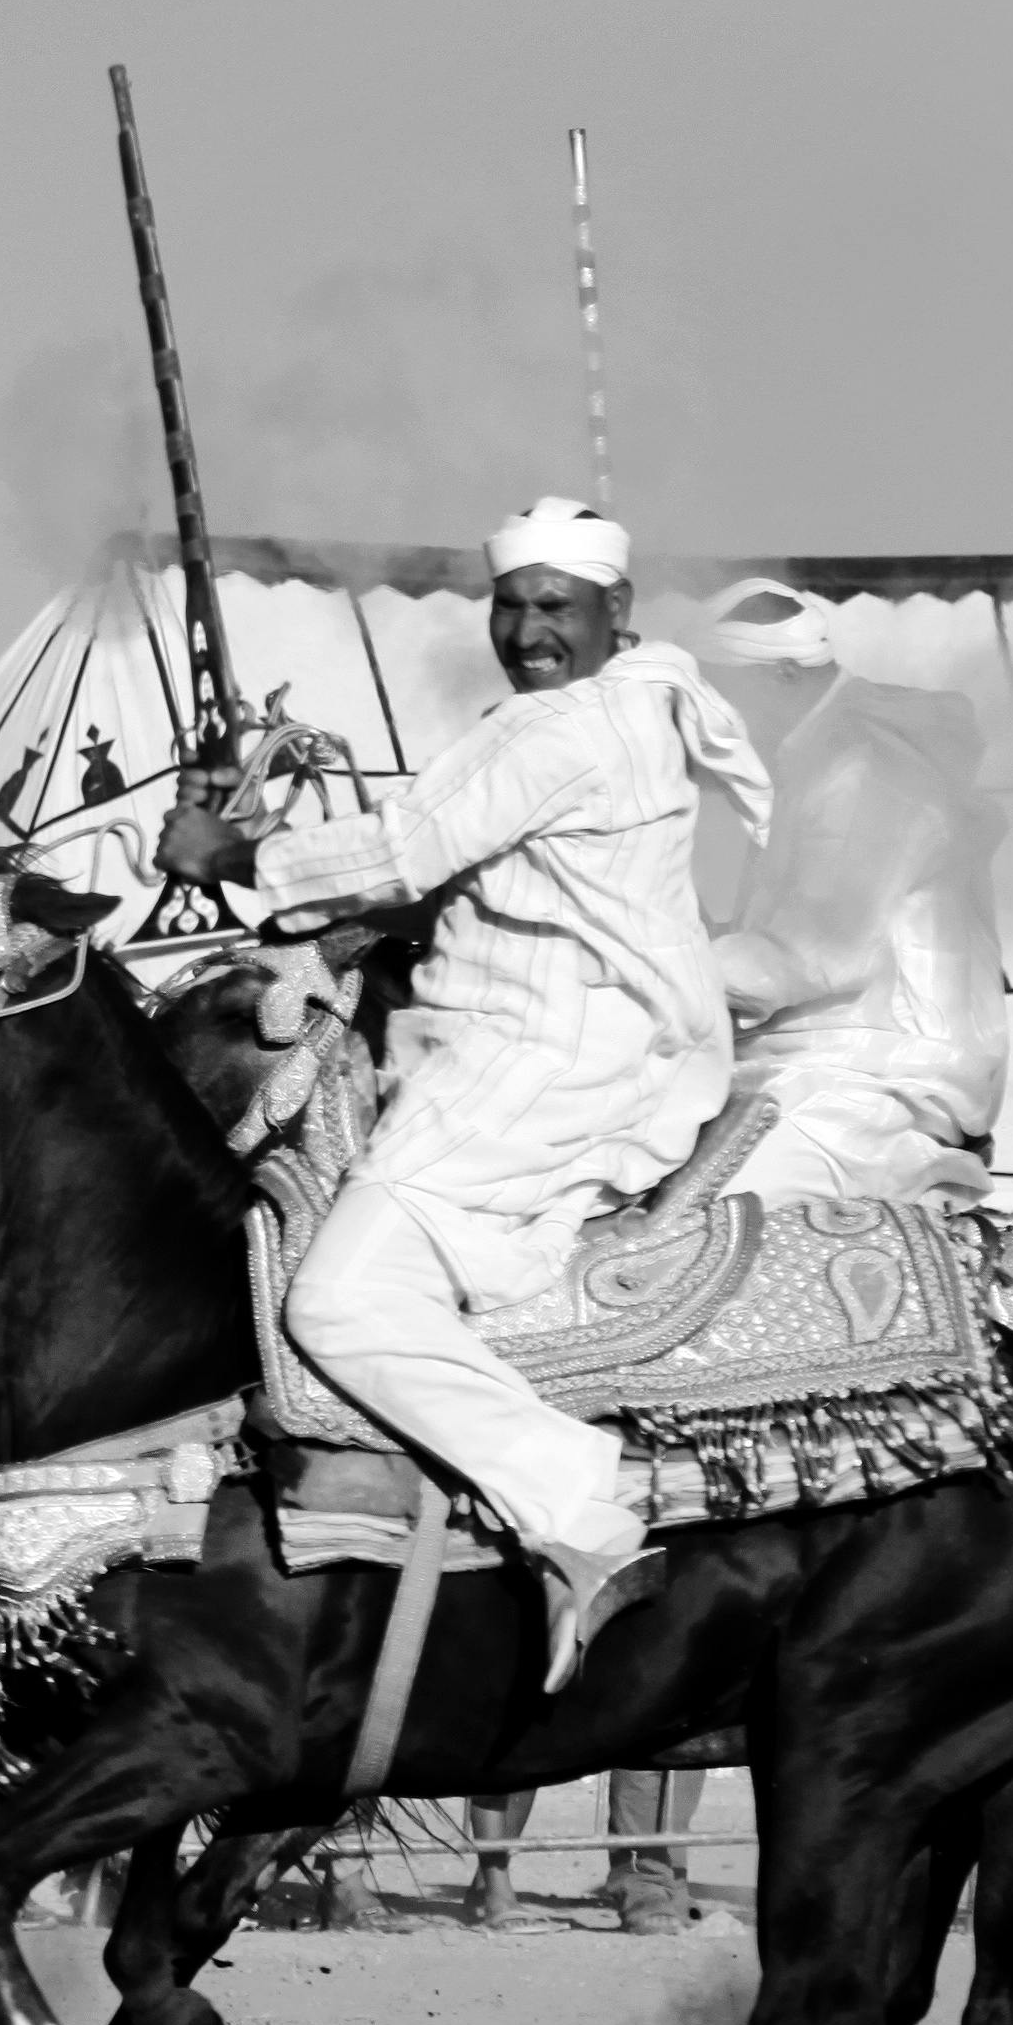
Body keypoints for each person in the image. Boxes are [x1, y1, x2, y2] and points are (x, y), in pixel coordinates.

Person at [158, 500, 771, 1689]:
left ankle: (580, 1510)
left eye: (555, 608)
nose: (527, 630)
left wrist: (225, 858)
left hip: (533, 1064)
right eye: (510, 604)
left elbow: (400, 850)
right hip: (552, 1046)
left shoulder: (563, 729)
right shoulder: (629, 703)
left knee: (333, 1304)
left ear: (614, 614)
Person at [695, 576, 1007, 1206]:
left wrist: (647, 967)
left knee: (704, 1218)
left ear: (783, 674)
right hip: (806, 1069)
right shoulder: (811, 758)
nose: (712, 718)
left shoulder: (861, 764)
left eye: (719, 692)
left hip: (868, 1083)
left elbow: (808, 952)